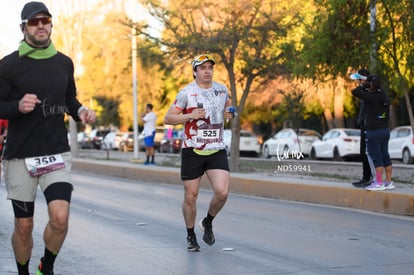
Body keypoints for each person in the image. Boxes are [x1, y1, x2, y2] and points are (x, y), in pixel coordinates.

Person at [0, 2, 96, 274]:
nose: (41, 25)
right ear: (23, 28)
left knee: (60, 218)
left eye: (45, 20)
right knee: (24, 226)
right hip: (20, 156)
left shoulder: (64, 63)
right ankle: (23, 271)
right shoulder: (8, 66)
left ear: (51, 24)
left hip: (56, 152)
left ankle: (47, 267)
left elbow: (69, 101)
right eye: (34, 22)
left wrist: (82, 112)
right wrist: (16, 106)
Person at [164, 54, 235, 251]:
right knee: (190, 197)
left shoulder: (221, 90)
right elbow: (168, 118)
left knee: (222, 193)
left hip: (216, 149)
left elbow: (228, 105)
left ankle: (208, 221)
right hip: (192, 150)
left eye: (210, 68)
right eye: (202, 68)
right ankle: (190, 235)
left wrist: (230, 112)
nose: (207, 71)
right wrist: (190, 115)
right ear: (195, 71)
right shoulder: (186, 93)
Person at [352, 75, 394, 191]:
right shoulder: (385, 97)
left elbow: (355, 91)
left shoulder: (371, 97)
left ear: (370, 85)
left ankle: (379, 182)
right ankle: (389, 182)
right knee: (385, 156)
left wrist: (363, 85)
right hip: (385, 131)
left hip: (373, 132)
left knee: (376, 158)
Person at [350, 69, 373, 188]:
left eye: (359, 79)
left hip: (369, 128)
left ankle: (370, 178)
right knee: (363, 153)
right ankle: (365, 177)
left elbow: (355, 91)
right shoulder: (364, 90)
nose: (357, 82)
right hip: (363, 127)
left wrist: (365, 83)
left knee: (368, 153)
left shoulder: (370, 91)